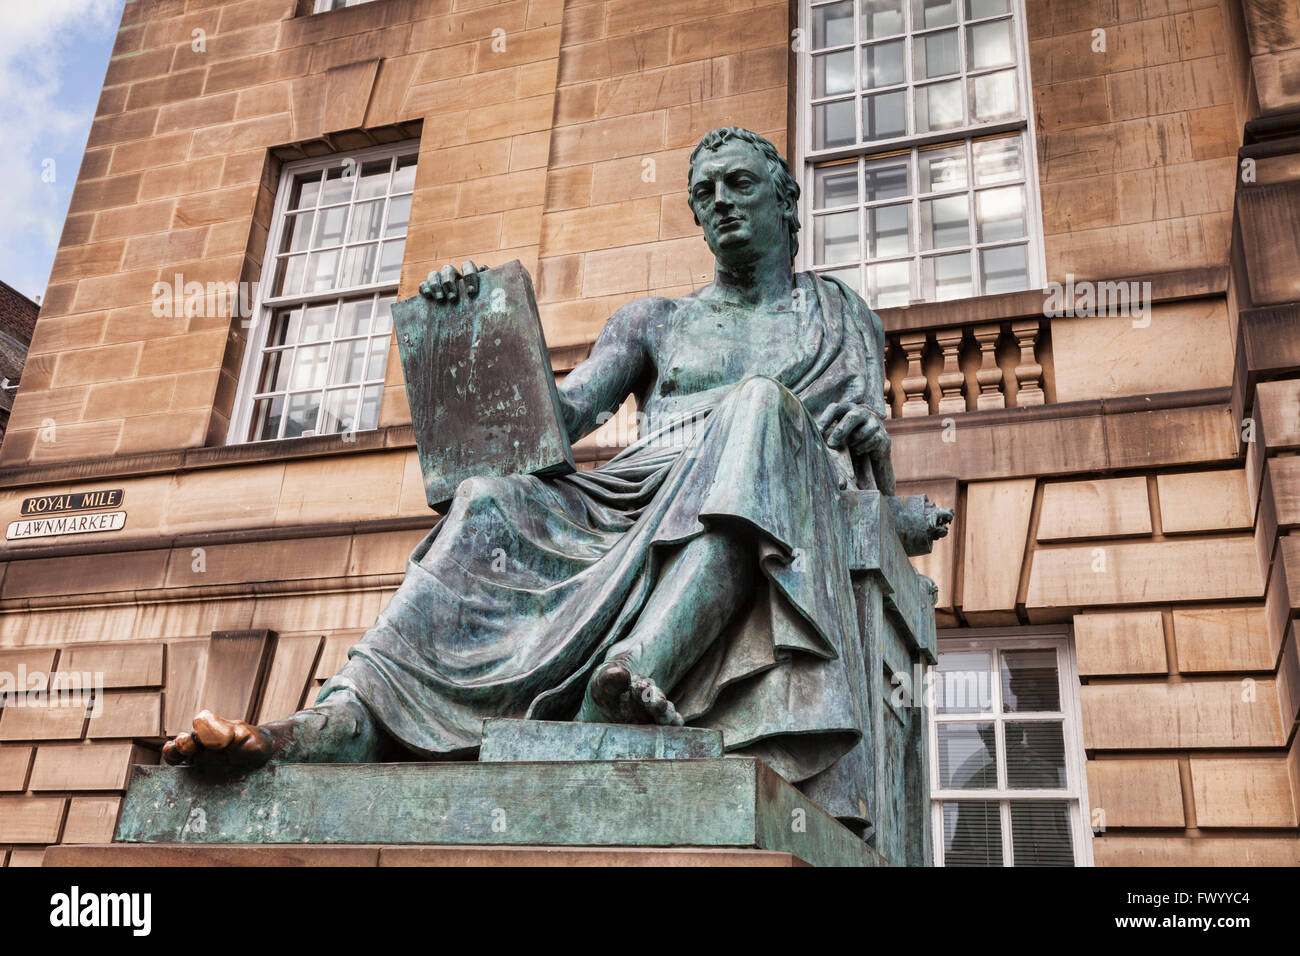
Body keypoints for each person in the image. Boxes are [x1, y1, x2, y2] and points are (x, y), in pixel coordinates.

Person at [163, 127, 895, 826]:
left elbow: (872, 468)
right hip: (631, 492)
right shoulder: (655, 320)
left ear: (784, 198)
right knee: (488, 500)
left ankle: (635, 671)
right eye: (705, 193)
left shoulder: (836, 315)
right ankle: (341, 718)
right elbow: (560, 419)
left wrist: (871, 441)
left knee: (762, 406)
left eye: (739, 182)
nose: (722, 200)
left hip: (762, 488)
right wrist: (470, 332)